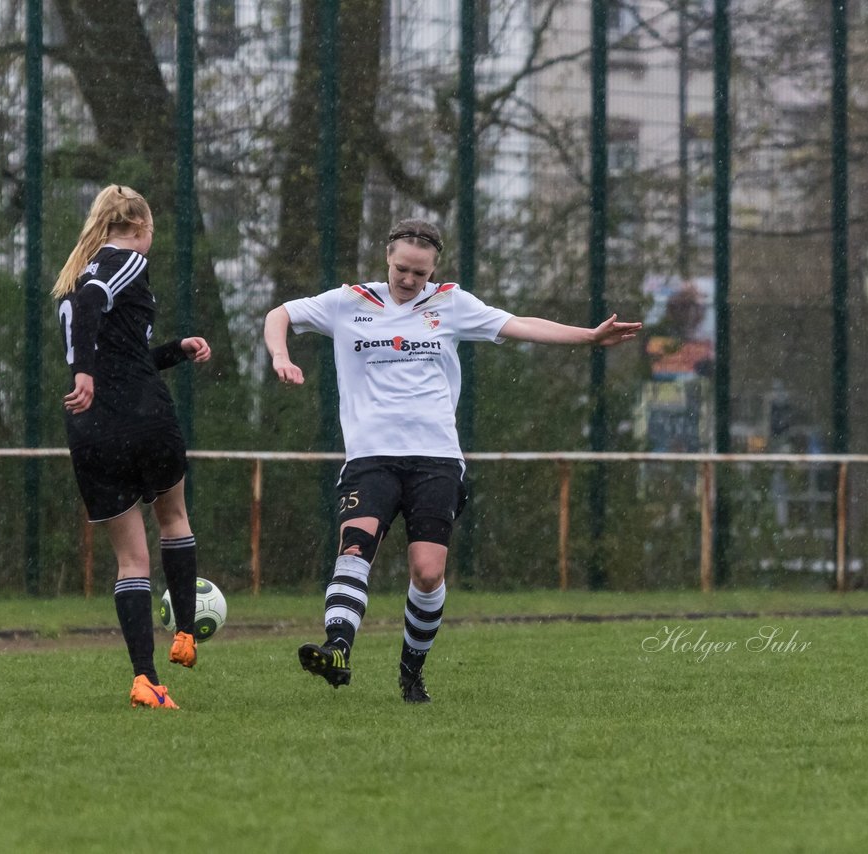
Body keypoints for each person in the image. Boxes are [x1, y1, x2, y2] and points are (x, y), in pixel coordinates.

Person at [263, 218, 642, 703]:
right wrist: (280, 354)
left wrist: (588, 338)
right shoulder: (348, 301)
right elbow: (281, 313)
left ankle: (411, 672)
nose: (408, 280)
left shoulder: (451, 304)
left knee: (427, 572)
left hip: (436, 460)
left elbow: (521, 324)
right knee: (354, 549)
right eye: (402, 269)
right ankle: (338, 649)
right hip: (371, 457)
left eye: (419, 273)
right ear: (387, 259)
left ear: (433, 270)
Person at [53, 184, 212, 710]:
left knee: (131, 561)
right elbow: (89, 304)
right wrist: (84, 371)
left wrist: (173, 351)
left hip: (90, 428)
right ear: (142, 227)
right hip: (141, 417)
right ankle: (185, 632)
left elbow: (119, 350)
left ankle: (145, 679)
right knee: (174, 517)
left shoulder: (73, 272)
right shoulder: (122, 260)